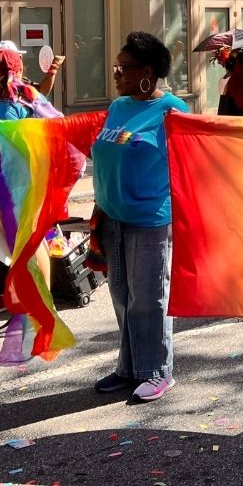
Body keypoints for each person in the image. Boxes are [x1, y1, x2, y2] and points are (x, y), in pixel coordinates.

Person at [92, 32, 189, 402]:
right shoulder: (118, 108)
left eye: (122, 68)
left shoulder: (172, 110)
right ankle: (129, 367)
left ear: (146, 72)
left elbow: (192, 164)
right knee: (121, 295)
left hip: (151, 217)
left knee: (149, 298)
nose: (115, 74)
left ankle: (157, 371)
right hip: (112, 216)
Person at [0, 46, 58, 315]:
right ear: (19, 69)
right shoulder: (30, 96)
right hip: (37, 177)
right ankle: (40, 307)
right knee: (34, 243)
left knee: (27, 246)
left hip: (19, 183)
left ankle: (36, 311)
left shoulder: (5, 105)